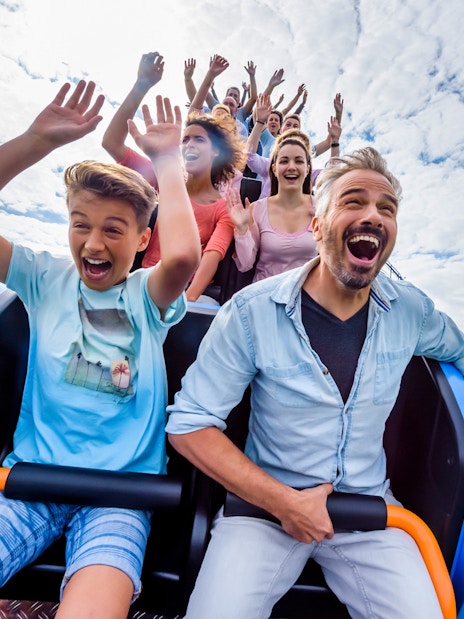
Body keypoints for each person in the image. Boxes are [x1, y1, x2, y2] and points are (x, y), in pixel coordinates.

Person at [166, 146, 464, 619]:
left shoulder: (413, 311)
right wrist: (284, 503)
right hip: (264, 513)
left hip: (370, 513)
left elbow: (459, 348)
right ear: (318, 226)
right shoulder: (249, 313)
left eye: (386, 209)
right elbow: (189, 426)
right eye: (353, 202)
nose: (373, 215)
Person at [0, 81, 201, 619]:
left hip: (122, 495)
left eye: (113, 230)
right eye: (81, 226)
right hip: (33, 479)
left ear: (141, 240)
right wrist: (36, 140)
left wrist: (168, 163)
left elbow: (183, 257)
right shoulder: (43, 280)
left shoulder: (145, 297)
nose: (93, 244)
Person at [102, 52, 247, 303]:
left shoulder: (223, 208)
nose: (189, 145)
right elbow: (112, 143)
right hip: (146, 280)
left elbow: (211, 257)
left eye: (199, 139)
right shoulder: (166, 179)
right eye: (185, 139)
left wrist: (180, 305)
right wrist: (141, 86)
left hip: (187, 293)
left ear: (216, 151)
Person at [226, 127, 317, 282]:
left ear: (307, 169)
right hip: (265, 295)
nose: (291, 167)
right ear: (274, 169)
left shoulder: (320, 208)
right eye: (284, 161)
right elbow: (245, 265)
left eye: (299, 161)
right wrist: (242, 230)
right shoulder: (257, 208)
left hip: (306, 298)